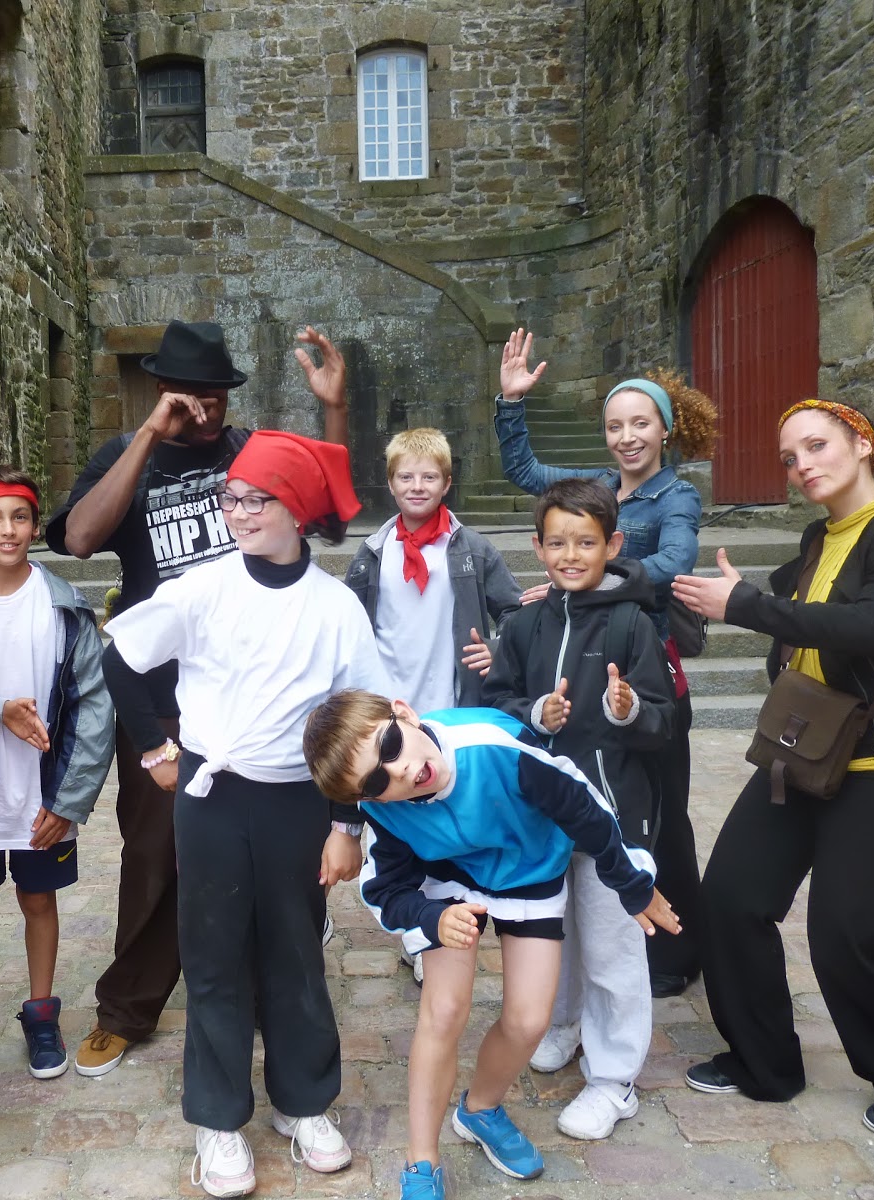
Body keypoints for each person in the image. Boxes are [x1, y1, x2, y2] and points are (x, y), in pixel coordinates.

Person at [670, 399, 874, 1138]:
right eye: (790, 457)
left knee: (847, 934)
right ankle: (764, 1063)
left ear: (863, 444)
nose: (801, 465)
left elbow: (871, 625)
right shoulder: (818, 538)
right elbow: (804, 616)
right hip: (803, 752)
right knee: (732, 899)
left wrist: (748, 606)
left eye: (816, 446)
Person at [46, 319, 348, 1077]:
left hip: (252, 691)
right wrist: (151, 433)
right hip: (157, 695)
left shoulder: (251, 453)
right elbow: (79, 539)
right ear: (162, 390)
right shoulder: (128, 454)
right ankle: (128, 1007)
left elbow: (330, 515)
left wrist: (333, 411)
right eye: (192, 397)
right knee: (155, 853)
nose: (207, 411)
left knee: (260, 855)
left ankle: (260, 997)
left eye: (217, 396)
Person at [101, 431, 387, 1198]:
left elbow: (360, 722)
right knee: (215, 952)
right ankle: (219, 1118)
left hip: (297, 800)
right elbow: (120, 656)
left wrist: (346, 825)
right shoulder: (202, 588)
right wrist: (154, 749)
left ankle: (304, 1101)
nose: (239, 512)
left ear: (298, 509)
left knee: (295, 949)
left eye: (258, 499)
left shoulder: (335, 608)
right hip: (214, 798)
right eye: (231, 498)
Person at [302, 692, 679, 1200]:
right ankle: (421, 1161)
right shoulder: (385, 808)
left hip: (529, 868)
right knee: (443, 1010)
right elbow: (386, 890)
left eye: (390, 746)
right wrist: (431, 917)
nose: (399, 771)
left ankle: (480, 1108)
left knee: (529, 1021)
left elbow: (584, 806)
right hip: (446, 878)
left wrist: (631, 884)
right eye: (374, 782)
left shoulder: (494, 747)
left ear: (404, 714)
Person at [496, 328, 717, 1003]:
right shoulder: (597, 486)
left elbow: (674, 562)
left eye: (640, 424)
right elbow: (527, 473)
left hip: (646, 668)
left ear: (665, 429)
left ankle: (676, 948)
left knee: (661, 815)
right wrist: (512, 404)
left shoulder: (676, 497)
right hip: (586, 665)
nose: (627, 437)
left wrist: (596, 580)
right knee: (594, 801)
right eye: (615, 425)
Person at [480, 478, 676, 1141]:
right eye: (558, 543)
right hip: (538, 818)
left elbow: (665, 721)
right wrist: (535, 713)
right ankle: (561, 1023)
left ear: (612, 545)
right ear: (538, 547)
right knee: (551, 934)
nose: (571, 555)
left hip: (612, 817)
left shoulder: (631, 624)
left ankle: (615, 1077)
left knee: (612, 947)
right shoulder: (524, 623)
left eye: (585, 542)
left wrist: (628, 709)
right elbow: (495, 704)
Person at [0, 466, 114, 1088]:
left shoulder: (63, 604)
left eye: (19, 517)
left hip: (43, 790)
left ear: (36, 526)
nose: (7, 530)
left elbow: (93, 705)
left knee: (39, 899)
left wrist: (69, 800)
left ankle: (42, 1014)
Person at [343, 425, 522, 980]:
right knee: (397, 821)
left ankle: (446, 919)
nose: (416, 486)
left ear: (446, 483)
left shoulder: (471, 549)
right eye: (406, 477)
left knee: (440, 815)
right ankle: (416, 927)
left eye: (428, 477)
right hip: (390, 712)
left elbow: (515, 613)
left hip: (449, 706)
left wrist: (497, 650)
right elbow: (348, 623)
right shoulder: (373, 552)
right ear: (390, 484)